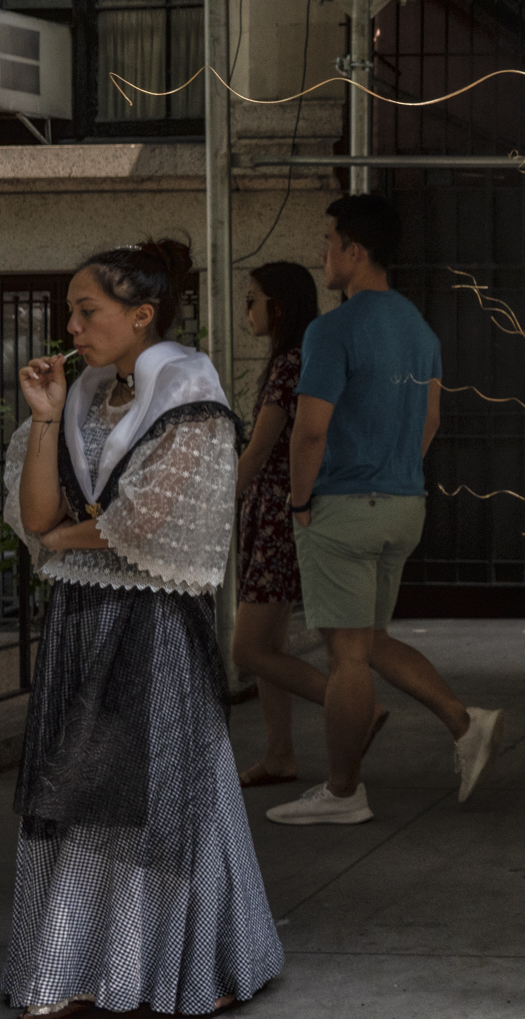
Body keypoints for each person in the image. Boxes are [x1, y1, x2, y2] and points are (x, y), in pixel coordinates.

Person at [3, 239, 285, 1016]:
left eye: (86, 310)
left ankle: (181, 966)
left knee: (163, 795)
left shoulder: (190, 392)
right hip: (83, 615)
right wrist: (46, 416)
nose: (71, 326)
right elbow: (36, 512)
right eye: (69, 311)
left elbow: (146, 521)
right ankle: (81, 965)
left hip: (154, 619)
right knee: (86, 787)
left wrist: (63, 535)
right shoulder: (86, 395)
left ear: (141, 315)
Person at [264, 194, 503, 826]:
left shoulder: (331, 330)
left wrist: (299, 501)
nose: (323, 254)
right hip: (403, 503)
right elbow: (431, 420)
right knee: (369, 641)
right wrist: (395, 472)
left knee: (345, 657)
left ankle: (343, 793)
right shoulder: (419, 330)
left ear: (354, 249)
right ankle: (465, 723)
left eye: (329, 241)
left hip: (343, 507)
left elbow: (309, 431)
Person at [233, 260, 390, 787]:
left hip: (278, 517)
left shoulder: (289, 364)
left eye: (252, 300)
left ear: (278, 307)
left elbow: (259, 451)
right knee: (269, 648)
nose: (246, 311)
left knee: (248, 649)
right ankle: (280, 754)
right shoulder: (301, 357)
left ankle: (355, 708)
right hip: (280, 513)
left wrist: (212, 504)